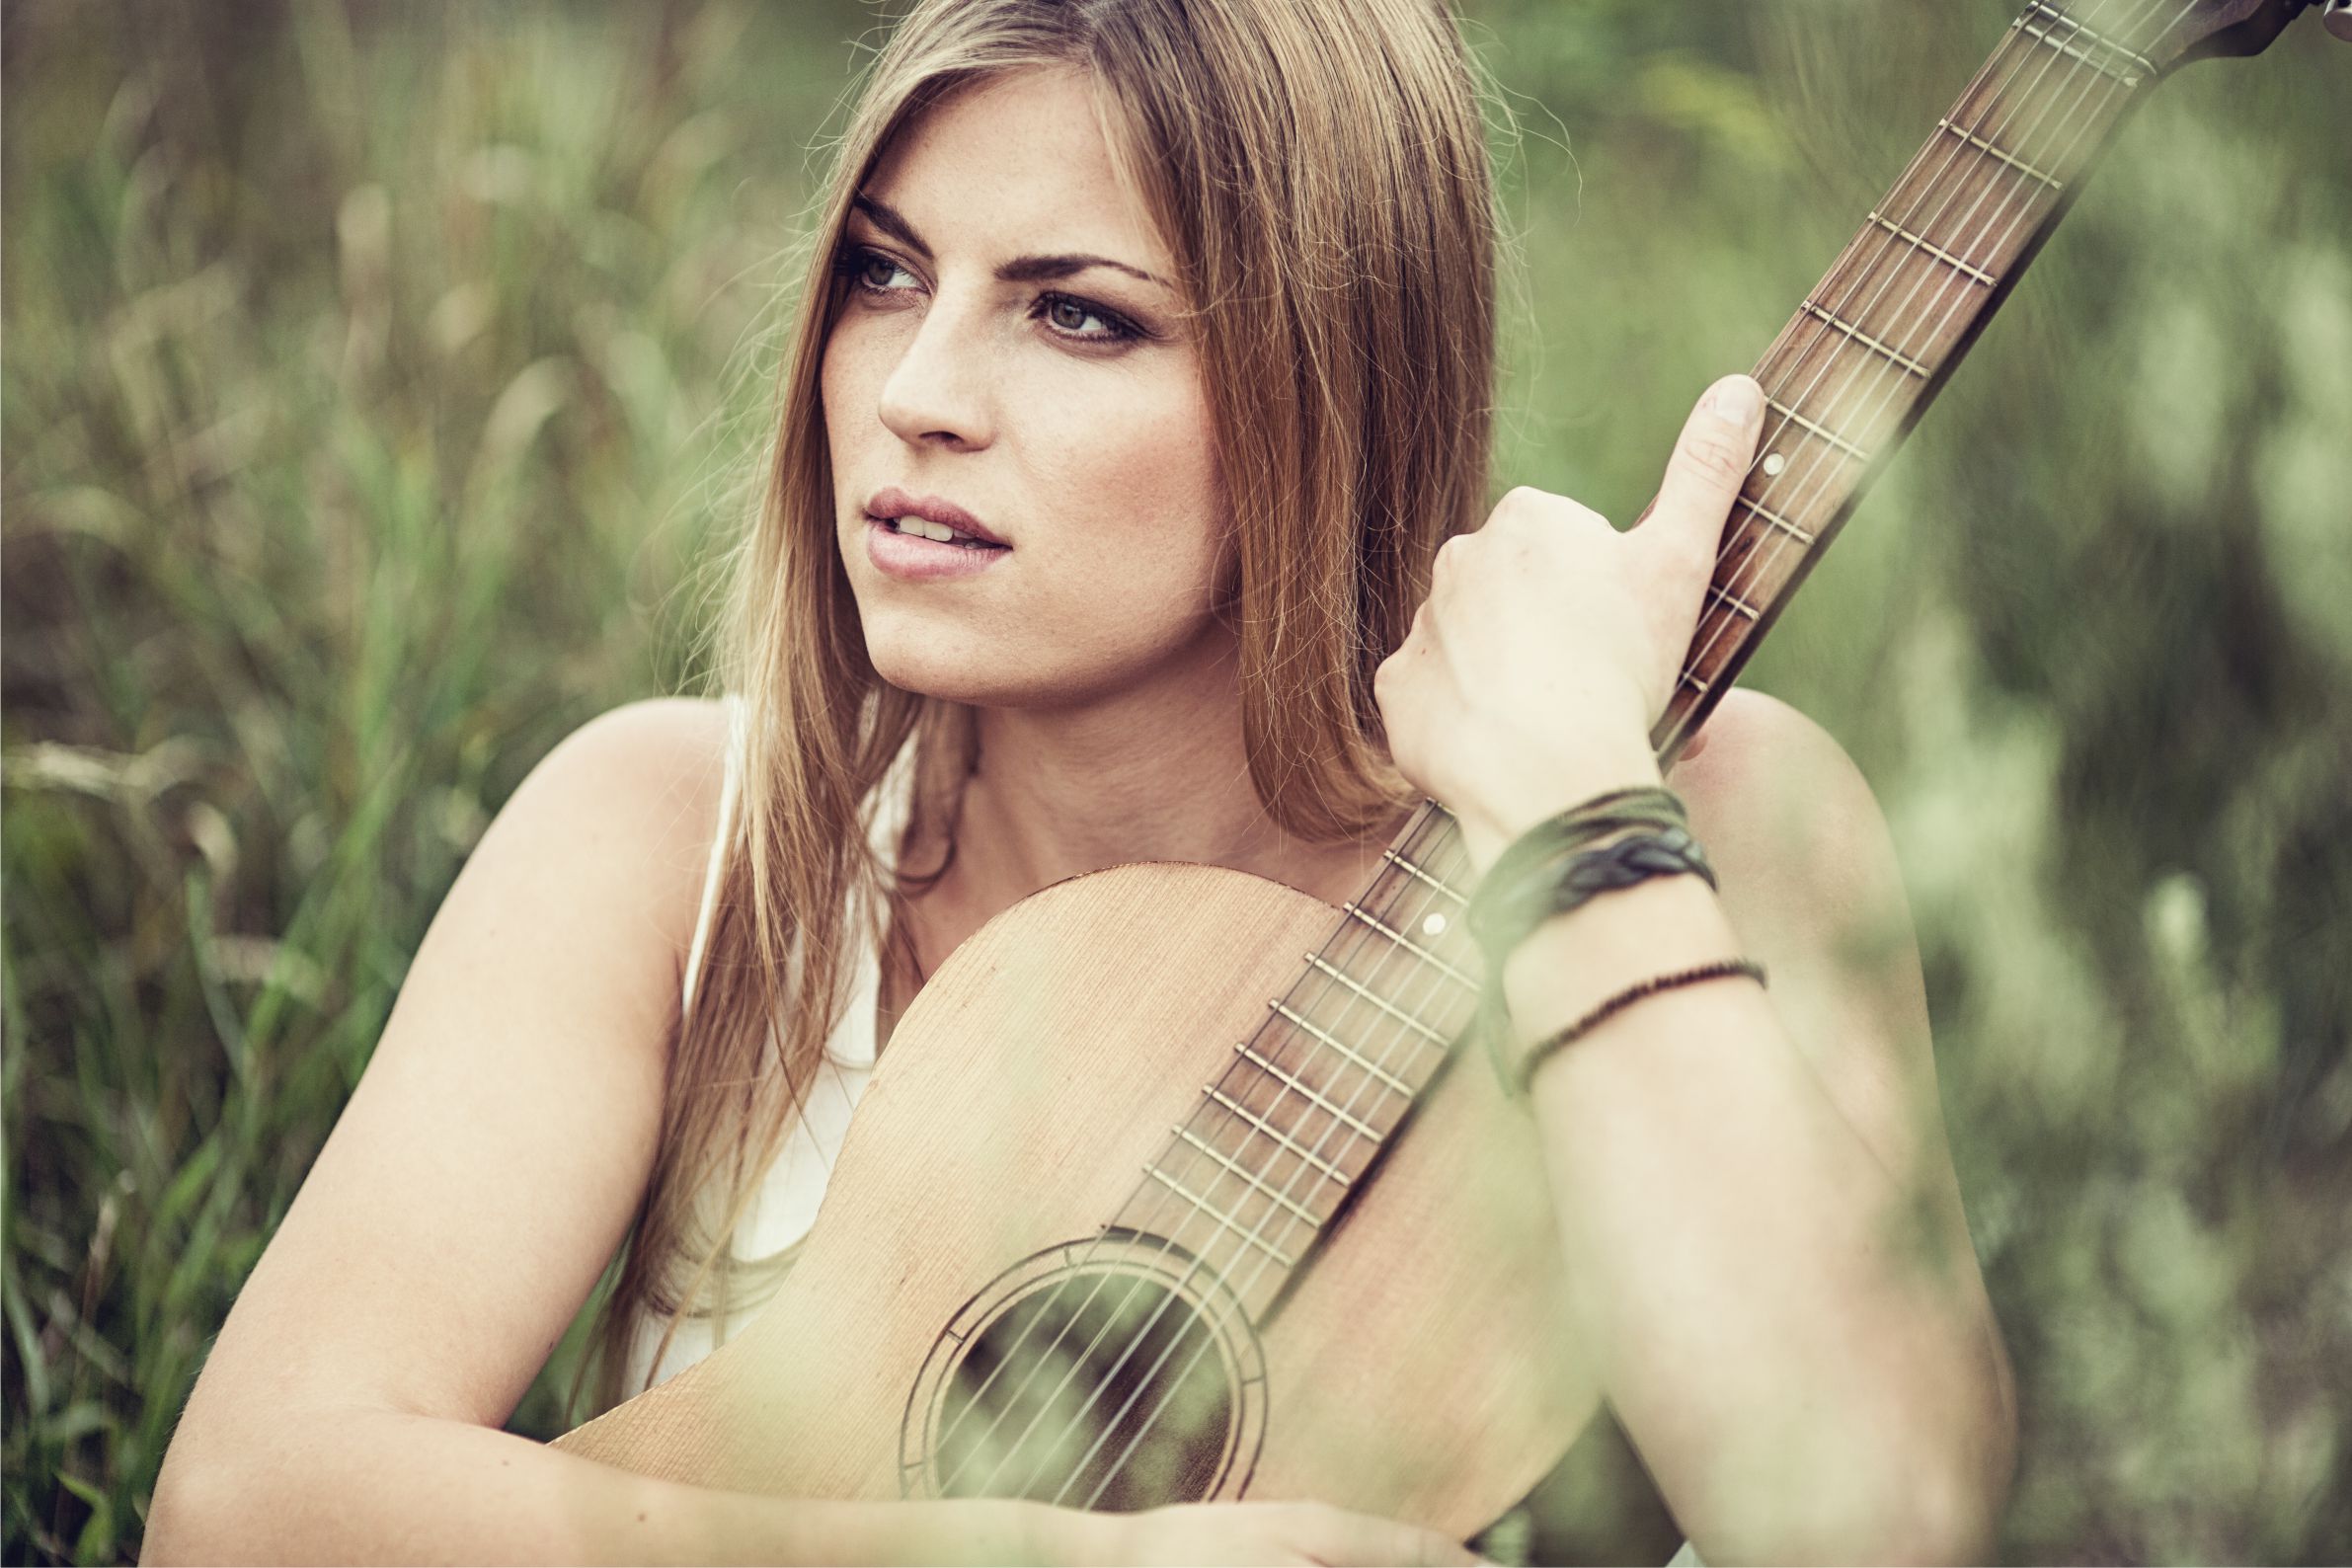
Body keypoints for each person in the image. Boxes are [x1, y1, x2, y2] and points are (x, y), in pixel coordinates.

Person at [143, 0, 2015, 1562]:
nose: (915, 391)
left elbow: (1876, 1521)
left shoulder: (1710, 817)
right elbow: (240, 1512)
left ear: (1328, 380)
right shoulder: (674, 840)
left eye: (1077, 314)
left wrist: (1572, 816)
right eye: (884, 272)